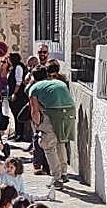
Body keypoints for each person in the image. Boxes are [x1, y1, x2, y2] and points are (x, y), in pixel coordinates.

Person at [28, 69, 76, 200]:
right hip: (70, 112)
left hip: (53, 113)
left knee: (48, 145)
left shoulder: (34, 88)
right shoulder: (58, 82)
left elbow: (35, 111)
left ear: (34, 78)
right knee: (61, 142)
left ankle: (57, 178)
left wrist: (38, 127)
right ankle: (64, 173)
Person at [8, 53, 32, 143]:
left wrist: (14, 93)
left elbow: (18, 82)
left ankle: (20, 134)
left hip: (18, 97)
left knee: (18, 114)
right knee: (14, 114)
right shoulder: (14, 68)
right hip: (13, 95)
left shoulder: (18, 68)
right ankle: (16, 133)